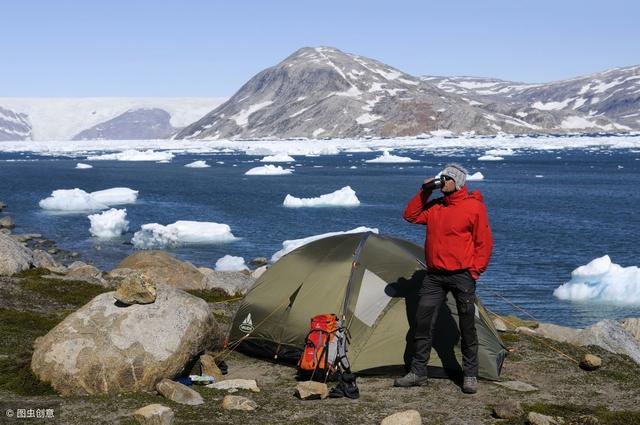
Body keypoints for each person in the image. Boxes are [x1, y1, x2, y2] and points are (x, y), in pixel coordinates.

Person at [395, 163, 493, 394]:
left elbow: (484, 242)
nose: (442, 182)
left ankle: (469, 375)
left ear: (457, 182)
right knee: (423, 323)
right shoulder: (437, 206)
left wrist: (475, 271)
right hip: (435, 276)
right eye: (442, 178)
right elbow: (410, 216)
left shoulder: (473, 208)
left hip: (462, 276)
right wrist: (425, 190)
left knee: (467, 326)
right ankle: (419, 372)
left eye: (446, 179)